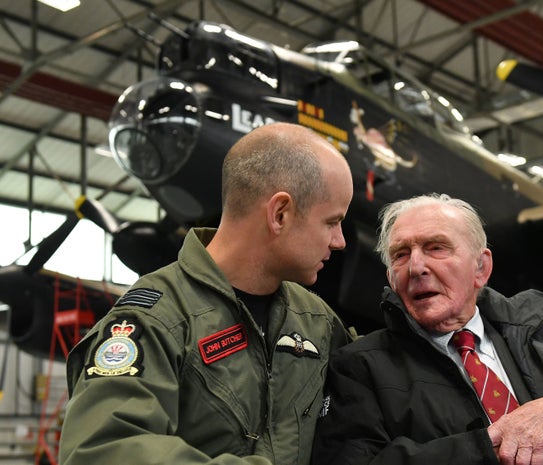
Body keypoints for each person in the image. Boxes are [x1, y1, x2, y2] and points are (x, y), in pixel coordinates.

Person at [312, 193, 543, 465]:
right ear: (392, 278)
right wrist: (489, 447)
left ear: (481, 268)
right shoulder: (359, 366)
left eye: (436, 248)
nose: (417, 267)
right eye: (400, 255)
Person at [59, 122, 355, 465]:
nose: (340, 241)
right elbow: (100, 451)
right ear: (280, 214)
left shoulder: (315, 321)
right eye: (332, 222)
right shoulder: (155, 321)